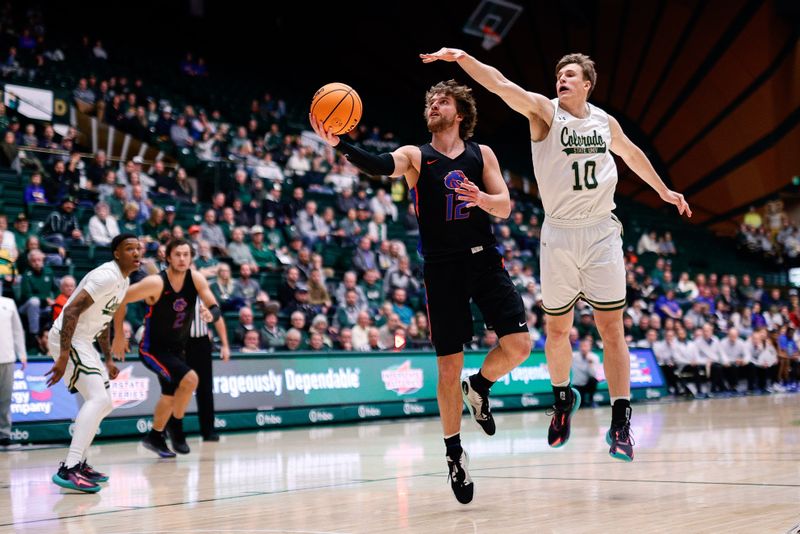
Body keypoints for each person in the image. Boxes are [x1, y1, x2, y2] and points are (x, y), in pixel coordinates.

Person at [421, 48, 692, 463]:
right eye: (558, 75)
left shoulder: (605, 122)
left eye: (569, 75)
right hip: (560, 233)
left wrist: (663, 191)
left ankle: (620, 421)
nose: (561, 80)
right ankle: (563, 399)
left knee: (612, 329)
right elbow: (500, 84)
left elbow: (633, 154)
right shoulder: (545, 113)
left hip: (602, 230)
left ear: (587, 84)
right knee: (558, 330)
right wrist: (462, 59)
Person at [310, 79, 532, 505]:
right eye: (430, 100)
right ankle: (454, 453)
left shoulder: (481, 154)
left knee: (519, 345)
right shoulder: (416, 156)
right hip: (442, 268)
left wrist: (481, 197)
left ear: (460, 113)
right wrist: (340, 143)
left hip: (484, 258)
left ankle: (481, 387)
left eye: (442, 100)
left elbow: (504, 205)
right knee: (448, 368)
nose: (433, 104)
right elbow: (377, 165)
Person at [44, 234, 140, 493]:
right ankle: (70, 468)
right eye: (129, 248)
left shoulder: (124, 280)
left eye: (138, 248)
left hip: (84, 341)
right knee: (98, 399)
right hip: (70, 336)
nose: (136, 252)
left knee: (106, 401)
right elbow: (72, 310)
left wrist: (108, 358)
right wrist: (64, 355)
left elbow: (103, 321)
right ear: (117, 253)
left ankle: (80, 462)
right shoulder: (106, 275)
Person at [111, 238, 223, 458]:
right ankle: (176, 428)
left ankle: (155, 436)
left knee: (170, 394)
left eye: (186, 255)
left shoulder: (196, 279)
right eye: (177, 254)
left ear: (191, 258)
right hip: (152, 349)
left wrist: (212, 314)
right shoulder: (156, 283)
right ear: (168, 257)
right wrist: (118, 335)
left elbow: (213, 304)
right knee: (191, 379)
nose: (182, 259)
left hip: (177, 349)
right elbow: (119, 299)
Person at [186, 296, 230, 442]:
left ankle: (208, 431)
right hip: (179, 344)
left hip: (201, 343)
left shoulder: (202, 293)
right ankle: (171, 430)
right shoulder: (172, 291)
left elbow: (218, 318)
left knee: (205, 388)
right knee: (173, 389)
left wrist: (225, 345)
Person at [0, 294, 26, 447]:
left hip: (7, 358)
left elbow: (17, 330)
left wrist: (22, 353)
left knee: (5, 399)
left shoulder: (9, 303)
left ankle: (4, 434)